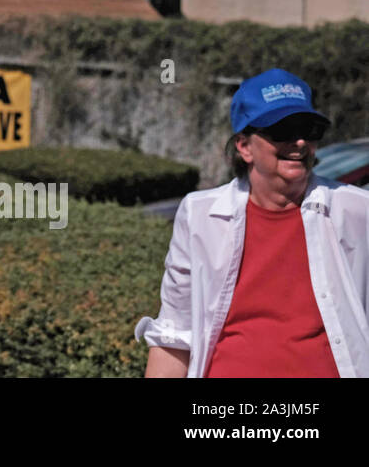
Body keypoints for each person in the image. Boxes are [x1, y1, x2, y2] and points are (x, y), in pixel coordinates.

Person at [137, 68, 369, 377]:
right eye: (283, 129)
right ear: (244, 146)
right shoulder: (200, 215)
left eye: (310, 129)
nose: (299, 142)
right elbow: (174, 334)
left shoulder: (356, 209)